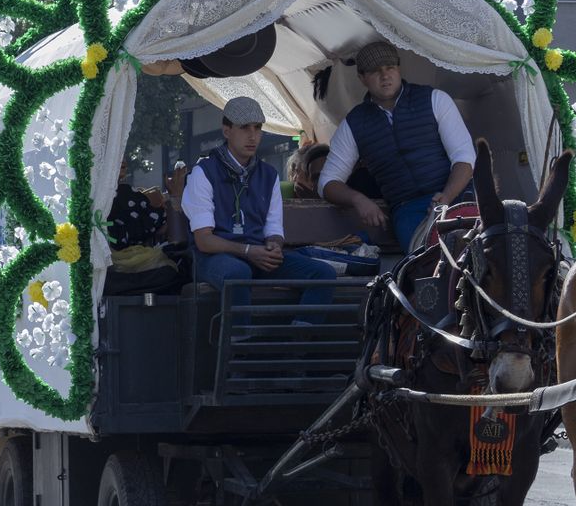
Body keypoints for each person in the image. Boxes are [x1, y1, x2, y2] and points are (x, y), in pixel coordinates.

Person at [181, 96, 334, 315]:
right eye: (244, 128)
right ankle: (240, 346)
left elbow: (273, 228)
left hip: (256, 254)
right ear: (226, 130)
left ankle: (298, 343)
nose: (253, 136)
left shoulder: (269, 175)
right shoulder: (203, 173)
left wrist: (273, 246)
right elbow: (204, 241)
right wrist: (247, 251)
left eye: (258, 128)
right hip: (213, 259)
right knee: (237, 273)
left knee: (323, 274)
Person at [318, 40, 476, 250]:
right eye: (375, 71)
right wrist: (358, 199)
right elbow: (327, 182)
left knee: (482, 262)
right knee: (423, 269)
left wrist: (446, 196)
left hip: (456, 198)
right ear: (362, 78)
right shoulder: (354, 124)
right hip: (408, 209)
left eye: (390, 67)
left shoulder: (434, 99)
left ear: (399, 69)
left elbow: (465, 157)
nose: (385, 76)